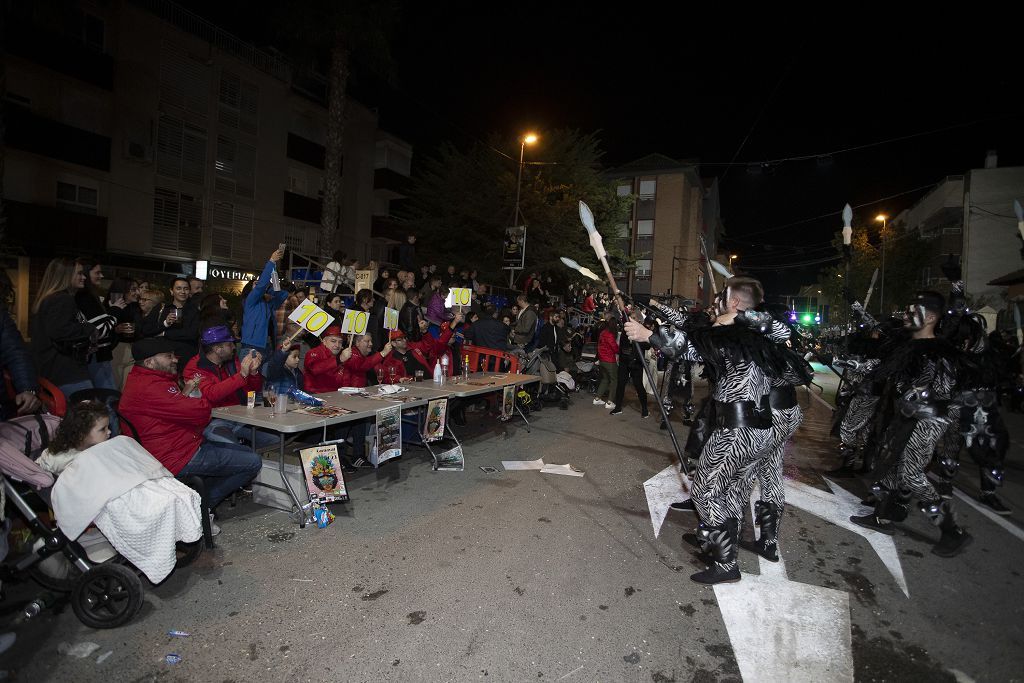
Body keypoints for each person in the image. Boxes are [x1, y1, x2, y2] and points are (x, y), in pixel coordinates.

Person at [625, 278, 788, 584]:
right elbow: (702, 341)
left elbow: (690, 348)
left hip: (738, 430)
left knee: (705, 491)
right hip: (759, 428)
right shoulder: (755, 331)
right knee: (732, 492)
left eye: (722, 297)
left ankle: (726, 565)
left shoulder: (736, 334)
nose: (715, 302)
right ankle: (718, 549)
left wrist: (648, 334)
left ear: (736, 303)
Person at [851, 291, 972, 557]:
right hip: (906, 415)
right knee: (892, 463)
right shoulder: (908, 345)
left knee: (912, 475)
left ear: (929, 317)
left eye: (911, 310)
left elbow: (945, 391)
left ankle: (952, 530)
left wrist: (918, 394)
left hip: (928, 418)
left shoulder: (941, 352)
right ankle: (884, 515)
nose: (904, 315)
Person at [120, 337, 262, 527]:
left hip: (181, 445)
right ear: (150, 362)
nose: (175, 360)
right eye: (168, 356)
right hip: (175, 455)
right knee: (253, 461)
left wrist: (186, 397)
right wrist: (197, 400)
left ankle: (195, 500)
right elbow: (201, 411)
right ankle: (199, 506)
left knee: (245, 453)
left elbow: (183, 410)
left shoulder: (148, 380)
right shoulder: (150, 387)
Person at [182, 326, 269, 448]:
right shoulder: (196, 367)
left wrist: (254, 373)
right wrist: (242, 375)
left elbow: (252, 390)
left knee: (274, 440)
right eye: (230, 344)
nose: (234, 347)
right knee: (239, 452)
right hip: (213, 421)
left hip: (240, 417)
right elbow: (211, 394)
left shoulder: (231, 361)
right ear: (218, 349)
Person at [30, 257, 103, 398]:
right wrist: (89, 329)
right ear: (65, 276)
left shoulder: (49, 299)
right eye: (79, 273)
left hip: (53, 369)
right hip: (66, 372)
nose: (83, 277)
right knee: (90, 416)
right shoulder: (62, 299)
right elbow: (59, 331)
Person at [74, 259, 118, 390]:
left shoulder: (88, 295)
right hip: (96, 355)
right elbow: (100, 329)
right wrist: (115, 312)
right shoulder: (85, 297)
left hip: (96, 354)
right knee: (108, 396)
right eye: (97, 272)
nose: (102, 276)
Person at [37, 399, 111, 475]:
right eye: (103, 429)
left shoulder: (93, 446)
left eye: (108, 427)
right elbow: (38, 472)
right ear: (82, 434)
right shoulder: (59, 460)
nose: (109, 432)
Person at [241, 247, 289, 358]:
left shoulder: (268, 304)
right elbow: (262, 285)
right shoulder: (250, 301)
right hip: (251, 348)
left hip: (267, 347)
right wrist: (271, 261)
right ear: (249, 290)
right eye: (255, 284)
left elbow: (282, 294)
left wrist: (273, 273)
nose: (259, 286)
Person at [609, 312, 649, 419]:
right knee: (621, 384)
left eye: (634, 317)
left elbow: (648, 345)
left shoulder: (642, 331)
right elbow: (622, 345)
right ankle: (618, 407)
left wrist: (638, 338)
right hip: (624, 361)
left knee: (638, 385)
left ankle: (645, 409)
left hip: (636, 362)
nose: (631, 319)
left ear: (639, 320)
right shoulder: (625, 330)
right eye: (631, 317)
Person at [152, 277, 201, 361]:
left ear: (189, 292)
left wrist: (164, 333)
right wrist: (165, 323)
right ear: (171, 291)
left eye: (186, 289)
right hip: (161, 355)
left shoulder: (195, 311)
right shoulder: (162, 307)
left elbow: (192, 334)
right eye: (178, 288)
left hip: (185, 356)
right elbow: (147, 329)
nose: (182, 292)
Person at [303, 326, 351, 394]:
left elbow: (345, 380)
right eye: (333, 341)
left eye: (340, 342)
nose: (337, 345)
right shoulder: (314, 352)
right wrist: (339, 360)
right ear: (324, 341)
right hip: (315, 396)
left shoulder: (342, 356)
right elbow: (314, 369)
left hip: (335, 397)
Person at [594, 318, 619, 407]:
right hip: (609, 360)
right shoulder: (610, 335)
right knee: (614, 380)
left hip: (602, 360)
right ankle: (610, 402)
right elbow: (615, 348)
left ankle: (597, 398)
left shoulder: (603, 333)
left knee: (605, 379)